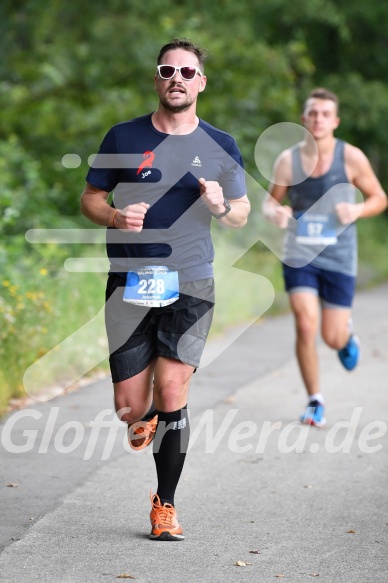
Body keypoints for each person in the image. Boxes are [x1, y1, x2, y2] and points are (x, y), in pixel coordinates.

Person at [80, 38, 250, 540]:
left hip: (192, 281)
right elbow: (90, 197)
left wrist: (221, 203)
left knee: (174, 388)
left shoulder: (221, 144)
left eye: (187, 71)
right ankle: (145, 414)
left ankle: (165, 505)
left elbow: (240, 215)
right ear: (157, 79)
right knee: (131, 408)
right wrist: (112, 214)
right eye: (167, 69)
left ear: (201, 82)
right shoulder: (122, 136)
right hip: (130, 282)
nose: (176, 77)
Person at [263, 87, 387, 427]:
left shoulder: (351, 158)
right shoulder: (288, 160)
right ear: (304, 120)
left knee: (331, 337)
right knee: (305, 324)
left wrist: (358, 208)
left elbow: (380, 198)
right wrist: (275, 213)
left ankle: (345, 334)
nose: (318, 119)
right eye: (312, 113)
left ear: (335, 121)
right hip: (300, 254)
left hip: (339, 256)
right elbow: (270, 202)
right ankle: (314, 400)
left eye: (325, 114)